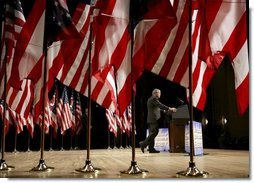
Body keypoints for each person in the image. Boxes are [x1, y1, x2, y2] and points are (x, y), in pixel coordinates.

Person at [139, 89, 177, 153]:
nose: (160, 94)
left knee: (152, 133)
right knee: (154, 132)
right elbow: (161, 105)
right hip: (153, 119)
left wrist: (163, 111)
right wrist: (170, 108)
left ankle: (151, 148)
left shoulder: (151, 99)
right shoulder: (154, 99)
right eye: (159, 93)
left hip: (151, 119)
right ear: (155, 93)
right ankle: (143, 144)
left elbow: (157, 108)